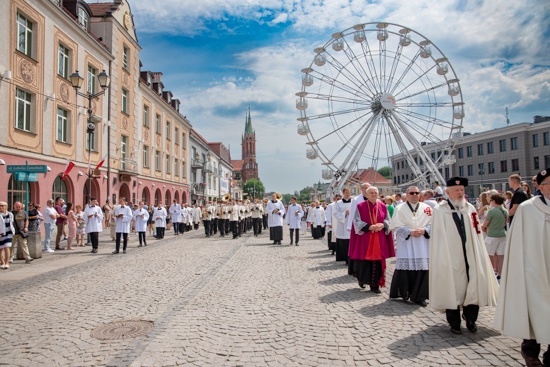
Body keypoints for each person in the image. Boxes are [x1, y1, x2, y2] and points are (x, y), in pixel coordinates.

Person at [495, 168, 550, 367]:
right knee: (534, 311)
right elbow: (517, 241)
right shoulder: (528, 209)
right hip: (534, 269)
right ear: (541, 187)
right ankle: (531, 353)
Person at [429, 177, 498, 335]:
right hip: (450, 255)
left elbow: (476, 231)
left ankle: (471, 319)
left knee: (473, 283)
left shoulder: (470, 208)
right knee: (453, 286)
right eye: (456, 191)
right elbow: (438, 236)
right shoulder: (440, 210)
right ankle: (454, 322)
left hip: (470, 254)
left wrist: (478, 251)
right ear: (448, 192)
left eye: (462, 190)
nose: (460, 193)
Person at [389, 186, 432, 307]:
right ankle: (405, 292)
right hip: (407, 243)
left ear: (420, 195)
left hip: (423, 243)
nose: (414, 195)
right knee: (406, 269)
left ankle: (420, 296)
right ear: (406, 195)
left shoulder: (427, 208)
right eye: (411, 193)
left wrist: (424, 230)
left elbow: (433, 223)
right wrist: (409, 232)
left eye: (416, 193)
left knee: (423, 269)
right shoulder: (399, 208)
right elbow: (396, 226)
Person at [351, 186, 394, 293]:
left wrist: (383, 224)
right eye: (371, 193)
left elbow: (388, 220)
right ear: (366, 194)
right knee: (365, 261)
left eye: (375, 192)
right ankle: (363, 279)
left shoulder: (383, 206)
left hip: (379, 238)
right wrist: (369, 227)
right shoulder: (360, 206)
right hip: (366, 237)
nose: (374, 194)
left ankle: (375, 285)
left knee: (378, 261)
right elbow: (356, 221)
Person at [481, 193, 508, 281]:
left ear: (494, 201)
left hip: (492, 235)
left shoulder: (492, 211)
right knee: (501, 256)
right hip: (503, 234)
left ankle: (491, 273)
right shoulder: (505, 211)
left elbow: (485, 224)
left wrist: (483, 227)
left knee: (489, 255)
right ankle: (500, 274)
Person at [334, 188, 352, 264]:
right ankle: (345, 258)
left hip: (352, 224)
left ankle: (351, 259)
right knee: (344, 242)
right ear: (343, 193)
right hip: (343, 224)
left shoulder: (354, 202)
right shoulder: (338, 203)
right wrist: (344, 213)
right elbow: (335, 213)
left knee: (351, 242)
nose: (348, 194)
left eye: (349, 192)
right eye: (346, 192)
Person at [0, 202, 14, 269]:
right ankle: (2, 262)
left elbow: (11, 223)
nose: (1, 207)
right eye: (0, 206)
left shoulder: (10, 214)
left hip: (8, 233)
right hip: (1, 234)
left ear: (6, 207)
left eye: (2, 206)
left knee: (7, 247)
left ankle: (7, 262)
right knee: (0, 249)